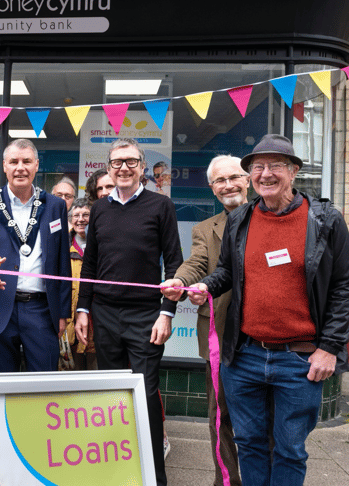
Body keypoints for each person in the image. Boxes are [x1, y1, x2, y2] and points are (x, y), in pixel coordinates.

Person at [186, 134, 349, 486]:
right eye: (257, 167)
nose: (264, 174)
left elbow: (345, 285)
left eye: (275, 166)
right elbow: (226, 272)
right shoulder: (241, 220)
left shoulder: (325, 220)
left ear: (293, 171)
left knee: (289, 450)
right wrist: (206, 286)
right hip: (245, 355)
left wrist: (329, 348)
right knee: (248, 444)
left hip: (299, 360)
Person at [75, 138, 182, 486]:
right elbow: (90, 263)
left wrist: (167, 313)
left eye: (131, 161)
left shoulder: (160, 206)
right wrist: (83, 310)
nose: (123, 168)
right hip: (104, 314)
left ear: (142, 167)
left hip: (146, 317)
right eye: (117, 162)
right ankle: (117, 472)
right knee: (112, 394)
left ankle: (154, 476)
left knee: (146, 395)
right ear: (107, 168)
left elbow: (175, 263)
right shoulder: (101, 209)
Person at [161, 154, 249, 486]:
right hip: (221, 336)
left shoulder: (268, 219)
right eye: (220, 181)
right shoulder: (205, 229)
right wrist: (180, 282)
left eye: (234, 177)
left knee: (265, 419)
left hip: (268, 338)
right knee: (219, 417)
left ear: (248, 180)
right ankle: (226, 482)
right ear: (212, 189)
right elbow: (196, 263)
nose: (228, 185)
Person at [0, 138, 72, 372]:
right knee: (0, 387)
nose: (20, 167)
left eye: (26, 161)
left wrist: (63, 313)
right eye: (14, 161)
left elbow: (63, 262)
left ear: (37, 165)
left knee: (41, 388)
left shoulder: (54, 206)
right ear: (4, 166)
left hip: (42, 311)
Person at [65, 198, 96, 370]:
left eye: (86, 215)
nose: (81, 219)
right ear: (70, 220)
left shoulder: (102, 245)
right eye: (76, 215)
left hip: (96, 321)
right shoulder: (63, 247)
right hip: (70, 322)